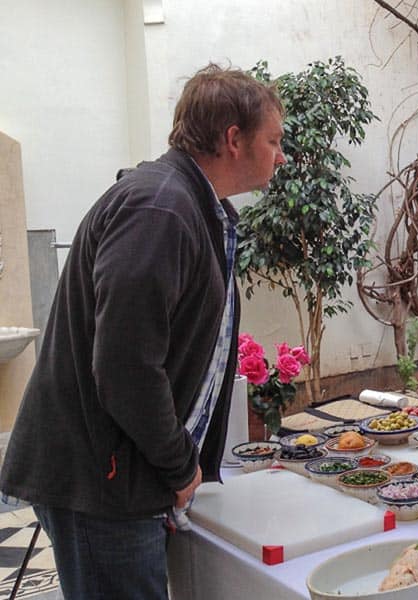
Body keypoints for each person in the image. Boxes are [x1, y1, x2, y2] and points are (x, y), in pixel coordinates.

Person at [0, 63, 286, 598]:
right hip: (104, 485)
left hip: (123, 476)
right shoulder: (162, 209)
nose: (281, 155)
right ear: (233, 139)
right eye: (273, 141)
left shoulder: (191, 205)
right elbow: (126, 368)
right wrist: (180, 467)